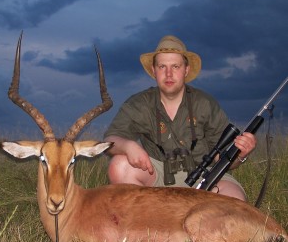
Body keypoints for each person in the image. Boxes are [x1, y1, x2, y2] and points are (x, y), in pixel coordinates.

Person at [104, 35, 256, 201]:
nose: (169, 74)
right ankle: (148, 221)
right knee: (119, 166)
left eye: (175, 66)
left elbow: (225, 159)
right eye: (162, 66)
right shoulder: (139, 103)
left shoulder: (204, 103)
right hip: (157, 177)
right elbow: (110, 140)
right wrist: (127, 146)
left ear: (186, 70)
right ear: (154, 71)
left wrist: (241, 154)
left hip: (204, 175)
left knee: (234, 199)